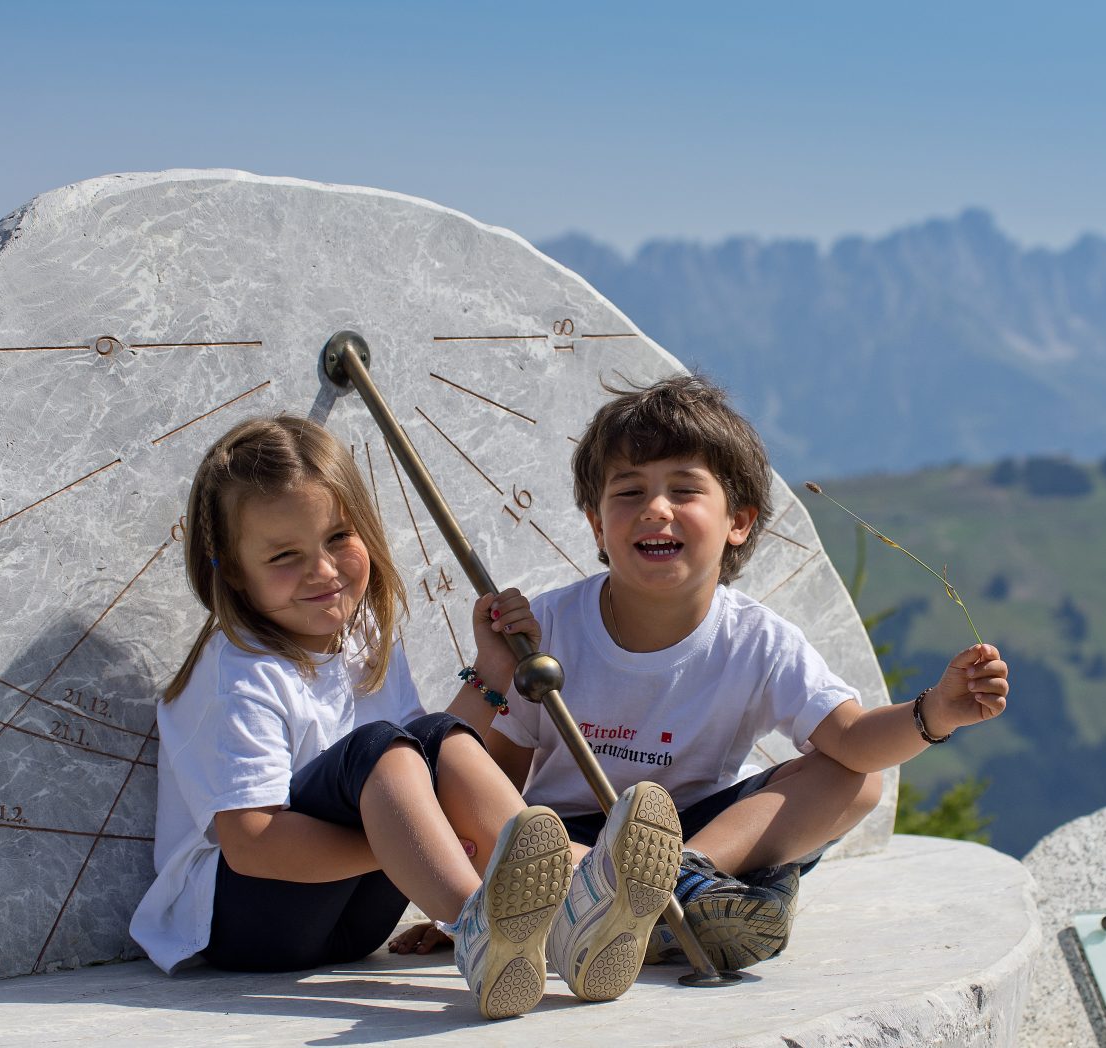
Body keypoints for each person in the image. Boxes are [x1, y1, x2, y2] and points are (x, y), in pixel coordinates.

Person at [395, 375, 1010, 972]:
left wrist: (937, 713)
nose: (655, 509)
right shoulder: (548, 627)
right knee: (466, 777)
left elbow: (851, 738)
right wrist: (483, 886)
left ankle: (663, 892)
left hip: (703, 835)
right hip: (565, 841)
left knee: (858, 781)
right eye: (629, 492)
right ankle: (650, 908)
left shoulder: (758, 640)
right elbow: (496, 770)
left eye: (684, 491)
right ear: (596, 524)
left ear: (738, 522)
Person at [129, 415, 682, 1019]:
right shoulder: (236, 673)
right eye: (286, 556)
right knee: (381, 749)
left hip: (350, 925)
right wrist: (408, 843)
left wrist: (491, 674)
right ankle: (483, 927)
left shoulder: (362, 637)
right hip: (247, 924)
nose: (324, 571)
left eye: (339, 537)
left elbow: (422, 768)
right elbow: (252, 847)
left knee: (428, 740)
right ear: (232, 572)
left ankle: (583, 905)